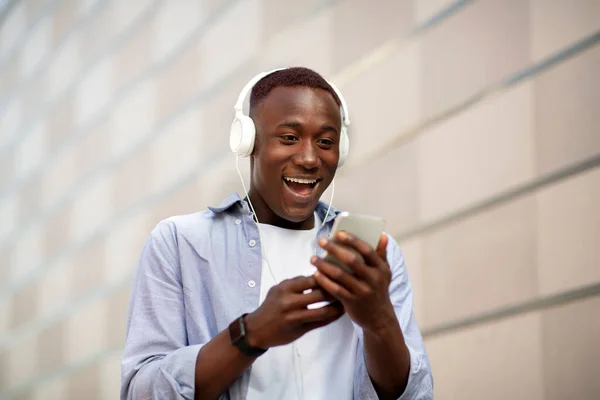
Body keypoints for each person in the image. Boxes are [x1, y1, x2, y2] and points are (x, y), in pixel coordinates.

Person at [120, 67, 433, 400]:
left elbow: (416, 396)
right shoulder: (179, 243)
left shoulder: (371, 256)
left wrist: (379, 322)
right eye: (289, 138)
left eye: (326, 142)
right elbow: (142, 390)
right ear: (248, 142)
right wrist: (251, 333)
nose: (311, 158)